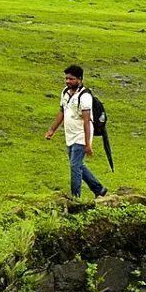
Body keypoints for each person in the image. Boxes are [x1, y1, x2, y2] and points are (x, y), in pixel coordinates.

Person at [43, 65, 107, 200]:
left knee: (74, 166)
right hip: (70, 135)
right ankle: (99, 189)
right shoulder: (65, 92)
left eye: (71, 79)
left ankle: (75, 198)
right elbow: (62, 112)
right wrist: (52, 130)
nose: (67, 81)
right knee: (77, 165)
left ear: (79, 79)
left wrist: (88, 144)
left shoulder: (85, 97)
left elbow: (86, 120)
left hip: (81, 135)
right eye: (66, 78)